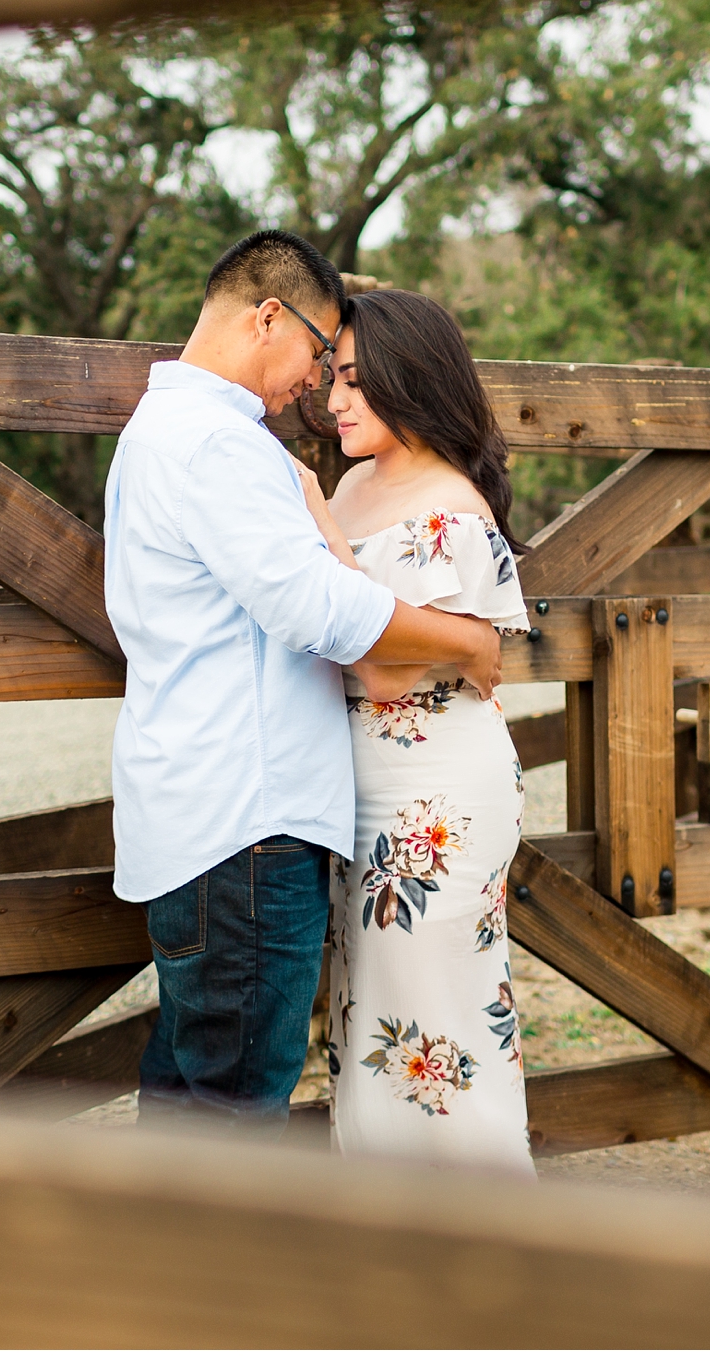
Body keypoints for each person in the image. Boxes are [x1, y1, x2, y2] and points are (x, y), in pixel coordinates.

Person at [104, 232, 505, 1133]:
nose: (319, 389)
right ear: (267, 317)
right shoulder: (215, 442)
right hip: (247, 823)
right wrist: (468, 643)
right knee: (234, 1108)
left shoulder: (168, 431)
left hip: (205, 810)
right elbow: (318, 609)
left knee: (190, 1087)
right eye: (323, 354)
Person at [294, 289, 536, 1173]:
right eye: (333, 379)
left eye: (358, 382)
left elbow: (386, 666)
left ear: (412, 379)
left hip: (437, 799)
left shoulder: (449, 505)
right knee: (371, 1020)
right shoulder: (361, 481)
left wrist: (317, 525)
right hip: (361, 792)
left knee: (441, 1019)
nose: (335, 402)